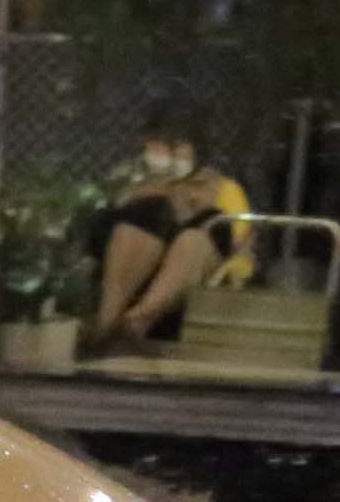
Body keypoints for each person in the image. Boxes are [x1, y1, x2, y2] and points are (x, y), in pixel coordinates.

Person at [83, 116, 246, 349]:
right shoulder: (126, 179)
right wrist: (140, 195)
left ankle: (136, 321)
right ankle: (107, 322)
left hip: (178, 285)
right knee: (152, 209)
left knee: (210, 223)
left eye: (177, 144)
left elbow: (239, 246)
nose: (166, 152)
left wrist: (186, 206)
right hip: (125, 270)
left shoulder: (221, 188)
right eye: (157, 142)